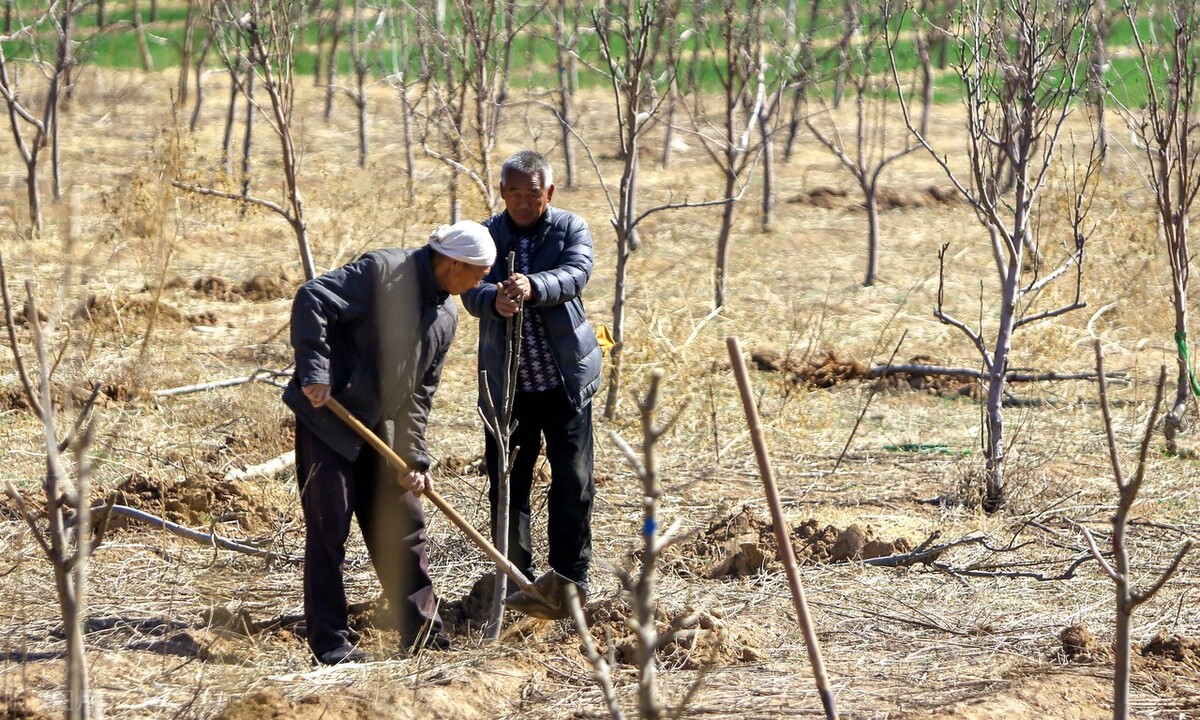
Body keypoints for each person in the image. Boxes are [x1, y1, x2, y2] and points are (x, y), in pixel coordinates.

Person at [284, 221, 495, 665]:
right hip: (331, 420)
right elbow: (313, 298)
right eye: (478, 273)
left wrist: (414, 456)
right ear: (453, 262)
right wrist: (316, 372)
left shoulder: (445, 315)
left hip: (383, 432)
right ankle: (331, 642)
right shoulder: (385, 271)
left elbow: (420, 394)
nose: (481, 283)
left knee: (404, 530)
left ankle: (422, 635)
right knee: (330, 529)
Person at [463, 150, 602, 598]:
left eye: (533, 194)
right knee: (508, 484)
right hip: (508, 390)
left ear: (550, 193)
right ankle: (516, 580)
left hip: (565, 383)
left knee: (574, 482)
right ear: (502, 192)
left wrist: (533, 285)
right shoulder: (484, 234)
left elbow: (577, 273)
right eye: (515, 193)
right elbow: (467, 285)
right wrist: (492, 301)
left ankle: (568, 580)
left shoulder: (569, 228)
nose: (523, 202)